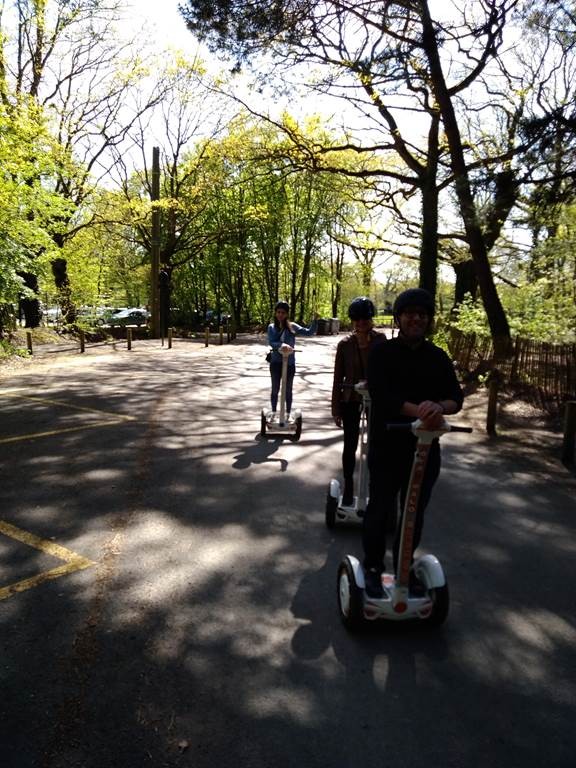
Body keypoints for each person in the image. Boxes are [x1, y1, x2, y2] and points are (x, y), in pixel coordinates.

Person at [362, 288, 464, 598]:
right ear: (399, 318)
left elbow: (455, 398)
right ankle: (373, 567)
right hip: (387, 445)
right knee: (380, 508)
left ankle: (404, 567)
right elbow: (382, 395)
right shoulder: (382, 353)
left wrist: (439, 408)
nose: (416, 318)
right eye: (410, 314)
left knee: (414, 511)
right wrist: (419, 411)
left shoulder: (438, 356)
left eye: (422, 314)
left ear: (428, 320)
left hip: (424, 450)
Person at [331, 297, 386, 506]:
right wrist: (336, 408)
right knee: (350, 442)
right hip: (351, 398)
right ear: (353, 320)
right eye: (357, 318)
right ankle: (348, 485)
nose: (362, 322)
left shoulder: (381, 341)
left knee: (374, 443)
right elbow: (337, 378)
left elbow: (387, 372)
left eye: (366, 318)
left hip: (376, 399)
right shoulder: (345, 344)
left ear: (371, 319)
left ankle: (373, 486)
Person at [267, 301, 317, 418]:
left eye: (283, 313)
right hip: (275, 363)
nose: (280, 315)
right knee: (275, 388)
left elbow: (309, 332)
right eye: (278, 312)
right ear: (275, 313)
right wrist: (282, 345)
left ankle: (288, 413)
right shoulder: (271, 327)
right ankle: (274, 412)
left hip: (289, 363)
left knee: (288, 389)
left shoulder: (292, 326)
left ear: (287, 314)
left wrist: (315, 321)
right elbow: (271, 342)